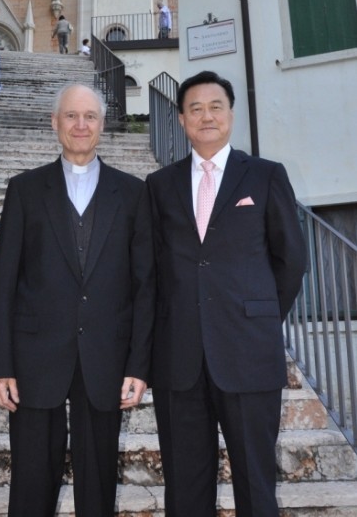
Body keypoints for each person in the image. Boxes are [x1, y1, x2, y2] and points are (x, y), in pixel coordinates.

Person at [143, 70, 307, 517]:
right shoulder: (159, 186)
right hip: (179, 360)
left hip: (248, 353)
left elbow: (291, 261)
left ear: (231, 115)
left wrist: (259, 316)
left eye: (216, 107)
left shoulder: (266, 176)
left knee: (256, 484)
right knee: (184, 488)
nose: (206, 116)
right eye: (195, 109)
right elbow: (151, 271)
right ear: (181, 119)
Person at [0, 83, 155, 517]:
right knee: (30, 487)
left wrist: (139, 365)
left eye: (90, 116)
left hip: (106, 358)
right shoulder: (24, 189)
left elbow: (145, 287)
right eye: (71, 116)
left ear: (103, 125)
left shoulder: (133, 193)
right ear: (54, 122)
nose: (81, 125)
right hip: (33, 359)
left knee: (98, 489)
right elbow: (3, 283)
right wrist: (1, 364)